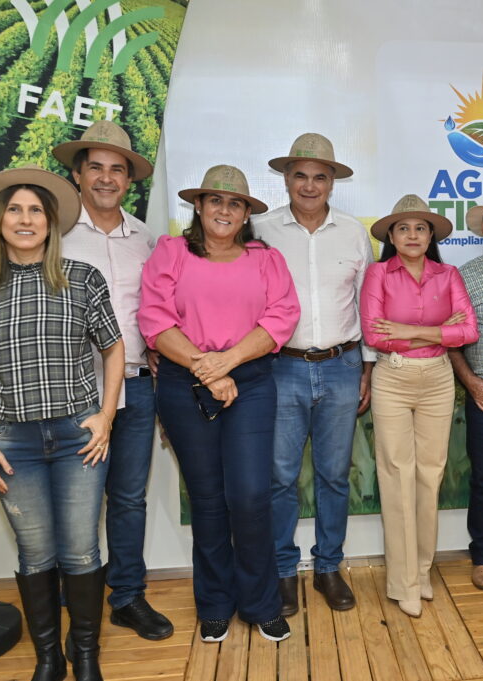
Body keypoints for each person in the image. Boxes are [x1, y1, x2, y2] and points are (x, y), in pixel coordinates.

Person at [0, 120, 173, 641]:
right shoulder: (50, 233)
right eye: (96, 168)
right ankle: (68, 607)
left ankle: (127, 598)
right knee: (67, 520)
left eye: (118, 170)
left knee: (128, 499)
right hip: (64, 397)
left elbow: (156, 312)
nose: (107, 178)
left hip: (135, 385)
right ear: (77, 175)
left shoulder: (146, 239)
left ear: (129, 179)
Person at [0, 165, 125, 681]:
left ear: (50, 223)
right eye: (14, 210)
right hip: (11, 442)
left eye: (35, 211)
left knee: (81, 549)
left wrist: (106, 416)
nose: (25, 220)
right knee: (35, 552)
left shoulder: (83, 279)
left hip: (78, 437)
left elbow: (114, 350)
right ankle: (49, 658)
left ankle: (86, 654)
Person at [138, 165, 300, 643]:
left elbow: (282, 316)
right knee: (207, 499)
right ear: (199, 206)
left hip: (249, 381)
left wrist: (226, 363)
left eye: (235, 203)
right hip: (183, 381)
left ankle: (261, 603)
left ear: (247, 212)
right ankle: (214, 603)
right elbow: (154, 319)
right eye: (215, 200)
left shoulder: (266, 259)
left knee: (250, 497)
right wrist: (207, 369)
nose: (224, 210)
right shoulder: (171, 252)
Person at [253, 133, 374, 616]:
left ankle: (328, 567)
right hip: (281, 367)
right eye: (300, 176)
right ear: (286, 179)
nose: (309, 185)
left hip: (343, 366)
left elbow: (366, 304)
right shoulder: (260, 230)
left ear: (332, 182)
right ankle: (283, 571)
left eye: (319, 177)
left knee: (334, 476)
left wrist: (367, 368)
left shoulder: (353, 232)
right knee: (280, 477)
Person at [360, 194, 479, 617]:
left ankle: (423, 570)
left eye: (421, 228)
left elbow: (469, 331)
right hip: (393, 379)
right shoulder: (378, 274)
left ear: (431, 237)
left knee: (430, 476)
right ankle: (403, 581)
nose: (412, 235)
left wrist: (410, 330)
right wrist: (439, 331)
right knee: (397, 475)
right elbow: (376, 336)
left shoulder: (448, 275)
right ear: (391, 236)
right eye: (404, 228)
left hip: (438, 380)